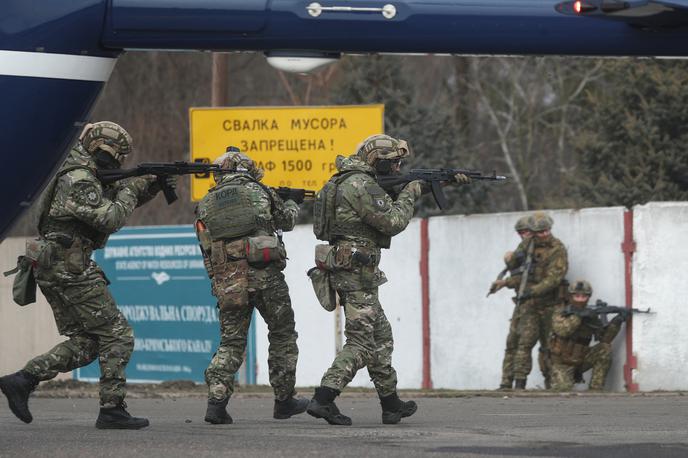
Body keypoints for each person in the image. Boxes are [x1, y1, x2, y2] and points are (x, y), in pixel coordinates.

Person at [0, 121, 170, 429]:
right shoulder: (79, 179)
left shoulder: (84, 173)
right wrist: (132, 187)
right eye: (117, 155)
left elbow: (116, 196)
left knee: (89, 342)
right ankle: (112, 410)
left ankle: (23, 380)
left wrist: (153, 183)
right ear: (100, 148)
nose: (118, 162)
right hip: (68, 265)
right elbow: (111, 217)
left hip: (60, 263)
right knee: (117, 334)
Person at [307, 134, 470, 425]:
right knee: (361, 343)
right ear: (377, 161)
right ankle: (323, 399)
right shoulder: (360, 184)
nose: (397, 168)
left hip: (354, 270)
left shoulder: (348, 181)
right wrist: (410, 191)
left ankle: (391, 404)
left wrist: (433, 184)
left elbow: (377, 205)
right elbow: (392, 221)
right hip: (356, 272)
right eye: (394, 163)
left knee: (381, 336)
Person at [195, 148, 308, 425]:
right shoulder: (260, 191)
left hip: (228, 279)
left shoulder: (205, 204)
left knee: (231, 341)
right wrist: (292, 202)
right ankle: (284, 401)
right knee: (282, 333)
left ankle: (216, 403)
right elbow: (286, 221)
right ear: (246, 169)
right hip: (265, 276)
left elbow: (205, 246)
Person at [490, 212, 567, 389]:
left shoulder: (557, 249)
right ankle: (518, 383)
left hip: (549, 304)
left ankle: (551, 383)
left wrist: (531, 291)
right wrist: (506, 277)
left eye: (546, 231)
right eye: (539, 232)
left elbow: (553, 279)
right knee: (522, 343)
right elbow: (519, 271)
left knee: (550, 347)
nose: (544, 234)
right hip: (529, 305)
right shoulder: (527, 245)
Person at [549, 280, 626, 391]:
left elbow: (605, 338)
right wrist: (578, 316)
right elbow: (562, 331)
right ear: (570, 297)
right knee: (563, 390)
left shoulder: (590, 315)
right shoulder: (560, 312)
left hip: (581, 360)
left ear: (588, 298)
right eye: (577, 296)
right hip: (562, 363)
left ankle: (596, 389)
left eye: (583, 297)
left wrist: (617, 321)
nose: (580, 299)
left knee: (604, 349)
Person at [494, 215, 531, 389]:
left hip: (539, 305)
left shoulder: (544, 249)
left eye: (527, 232)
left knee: (527, 345)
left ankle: (520, 383)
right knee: (512, 344)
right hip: (522, 302)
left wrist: (506, 282)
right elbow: (517, 276)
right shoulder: (521, 250)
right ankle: (507, 382)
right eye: (521, 232)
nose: (525, 235)